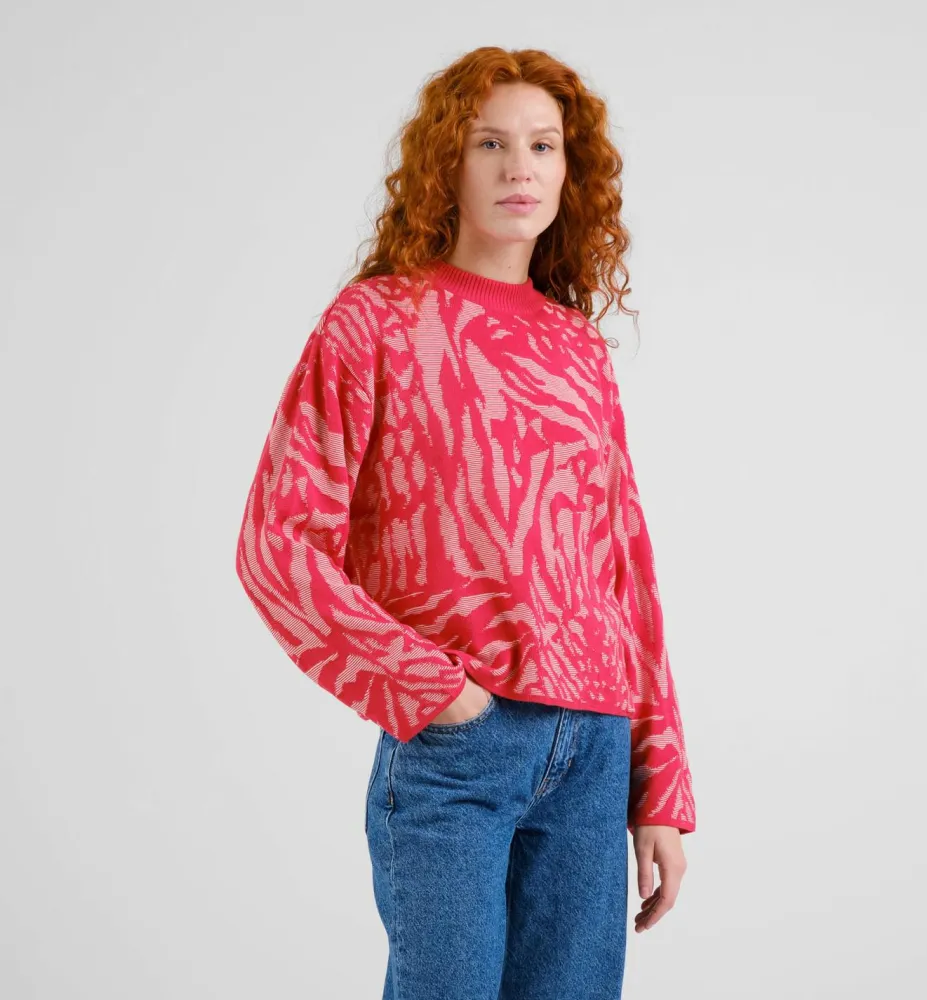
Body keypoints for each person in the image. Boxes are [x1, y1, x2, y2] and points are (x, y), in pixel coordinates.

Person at [234, 45, 696, 1000]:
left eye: (543, 145)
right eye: (491, 143)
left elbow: (624, 572)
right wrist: (436, 693)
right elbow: (279, 543)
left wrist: (660, 786)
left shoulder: (579, 349)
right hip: (459, 751)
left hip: (593, 751)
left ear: (570, 172)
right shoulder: (373, 323)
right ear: (448, 161)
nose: (519, 167)